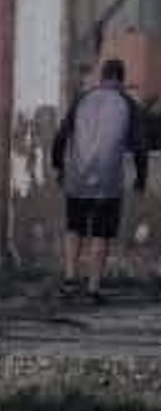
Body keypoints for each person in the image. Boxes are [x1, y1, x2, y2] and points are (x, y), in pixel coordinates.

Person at [52, 58, 148, 303]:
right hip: (108, 181)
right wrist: (141, 178)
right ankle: (93, 289)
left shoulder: (82, 98)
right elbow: (140, 146)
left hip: (77, 176)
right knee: (101, 233)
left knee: (74, 228)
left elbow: (61, 135)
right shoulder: (129, 104)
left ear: (102, 76)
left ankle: (70, 280)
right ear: (121, 79)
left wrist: (58, 166)